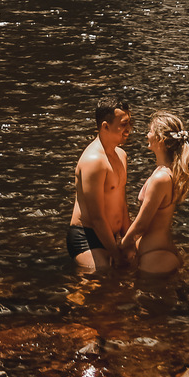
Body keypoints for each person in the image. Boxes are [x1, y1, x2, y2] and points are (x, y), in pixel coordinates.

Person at [120, 110, 189, 274]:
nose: (147, 135)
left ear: (160, 140)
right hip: (156, 252)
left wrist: (121, 247)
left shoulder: (161, 178)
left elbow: (142, 225)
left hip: (156, 256)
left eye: (150, 131)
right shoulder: (166, 171)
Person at [67, 94, 133, 272]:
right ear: (105, 126)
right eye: (124, 125)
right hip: (86, 237)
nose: (129, 129)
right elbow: (96, 217)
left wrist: (128, 240)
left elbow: (122, 203)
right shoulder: (93, 161)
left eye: (129, 123)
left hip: (110, 237)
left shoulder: (121, 155)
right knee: (103, 276)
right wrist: (115, 254)